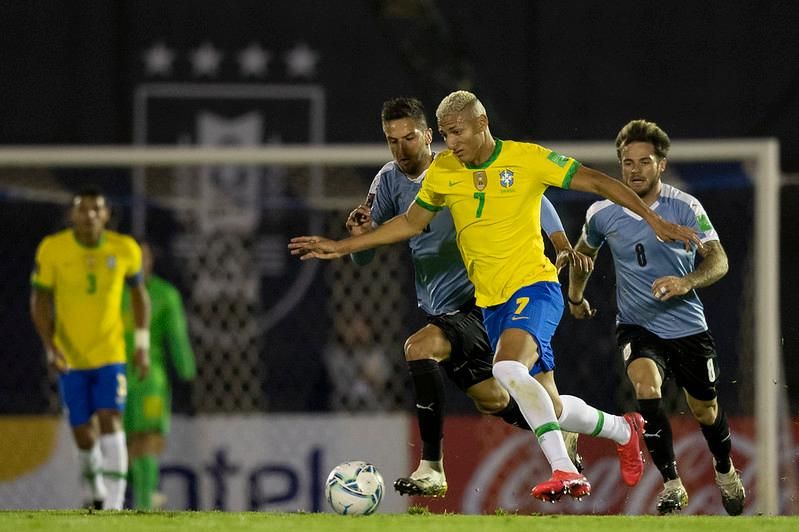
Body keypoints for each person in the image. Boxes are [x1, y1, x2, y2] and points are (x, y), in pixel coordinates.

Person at [290, 90, 701, 502]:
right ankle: (622, 430)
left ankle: (562, 470)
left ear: (482, 123)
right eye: (447, 135)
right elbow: (412, 223)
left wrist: (651, 219)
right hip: (491, 304)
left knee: (504, 369)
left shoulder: (525, 159)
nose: (451, 143)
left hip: (535, 287)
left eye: (457, 132)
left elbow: (596, 180)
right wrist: (342, 247)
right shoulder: (444, 171)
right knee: (543, 404)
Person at [345, 97, 586, 497]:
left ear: (427, 135)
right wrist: (358, 240)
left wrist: (560, 242)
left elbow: (533, 195)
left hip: (482, 301)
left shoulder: (458, 166)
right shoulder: (387, 181)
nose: (402, 148)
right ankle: (565, 426)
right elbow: (366, 257)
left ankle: (431, 467)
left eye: (409, 137)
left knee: (420, 348)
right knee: (493, 400)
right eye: (392, 141)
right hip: (442, 309)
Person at [567, 119, 746, 515]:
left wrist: (687, 282)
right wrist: (575, 296)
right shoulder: (602, 212)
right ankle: (672, 483)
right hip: (637, 325)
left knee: (705, 410)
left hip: (687, 327)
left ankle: (724, 468)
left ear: (661, 165)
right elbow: (584, 256)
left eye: (644, 161)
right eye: (627, 162)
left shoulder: (686, 207)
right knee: (645, 387)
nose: (634, 169)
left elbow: (718, 260)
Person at [30, 189, 150, 510]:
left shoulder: (124, 249)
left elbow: (140, 296)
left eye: (96, 209)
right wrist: (50, 346)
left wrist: (141, 345)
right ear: (72, 215)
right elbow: (40, 301)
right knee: (84, 433)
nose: (90, 216)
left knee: (112, 419)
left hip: (111, 354)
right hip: (71, 356)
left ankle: (113, 506)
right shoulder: (53, 250)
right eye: (83, 210)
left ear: (106, 214)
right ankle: (96, 489)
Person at [122, 242, 196, 510]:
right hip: (114, 375)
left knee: (146, 441)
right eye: (135, 257)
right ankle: (138, 496)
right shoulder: (112, 292)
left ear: (152, 260)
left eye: (145, 256)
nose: (141, 262)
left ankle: (144, 503)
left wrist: (187, 374)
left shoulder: (165, 295)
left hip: (148, 378)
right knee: (119, 445)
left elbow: (177, 341)